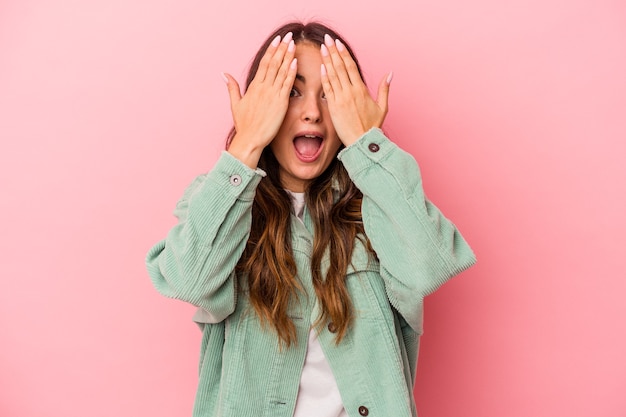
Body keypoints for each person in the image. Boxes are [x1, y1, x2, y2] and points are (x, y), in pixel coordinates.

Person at [146, 20, 476, 417]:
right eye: (292, 92)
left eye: (330, 96)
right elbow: (190, 280)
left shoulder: (378, 205)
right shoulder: (219, 200)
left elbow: (428, 266)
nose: (312, 113)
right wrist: (246, 144)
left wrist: (366, 143)